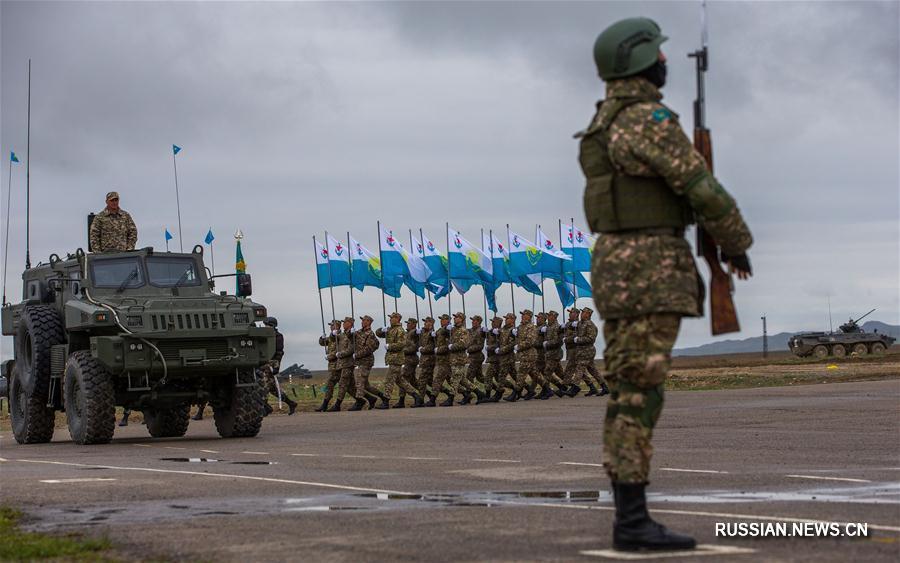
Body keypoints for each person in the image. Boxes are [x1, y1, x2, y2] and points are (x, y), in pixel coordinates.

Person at [580, 17, 753, 551]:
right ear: (639, 61)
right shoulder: (647, 119)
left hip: (617, 266)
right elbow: (699, 184)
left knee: (631, 389)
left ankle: (631, 515)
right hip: (650, 268)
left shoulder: (605, 121)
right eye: (658, 54)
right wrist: (735, 242)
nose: (664, 62)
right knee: (638, 392)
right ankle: (632, 522)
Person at [376, 313, 424, 408]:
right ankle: (417, 397)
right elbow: (378, 334)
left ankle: (386, 401)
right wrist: (382, 329)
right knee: (401, 381)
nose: (390, 320)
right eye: (390, 318)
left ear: (397, 319)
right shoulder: (390, 329)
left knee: (389, 380)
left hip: (396, 359)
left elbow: (402, 344)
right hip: (392, 359)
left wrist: (390, 346)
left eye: (392, 318)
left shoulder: (400, 330)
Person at [259, 317, 297, 416]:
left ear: (271, 325)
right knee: (273, 389)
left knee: (264, 384)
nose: (265, 326)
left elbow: (279, 352)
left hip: (271, 364)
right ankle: (291, 403)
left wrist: (277, 366)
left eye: (266, 324)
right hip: (264, 363)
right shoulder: (265, 335)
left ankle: (264, 407)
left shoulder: (278, 336)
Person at [348, 315, 386, 411]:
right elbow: (350, 338)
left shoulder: (370, 334)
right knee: (366, 385)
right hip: (360, 361)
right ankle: (381, 397)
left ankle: (359, 401)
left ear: (369, 322)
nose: (362, 322)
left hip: (366, 361)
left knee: (359, 381)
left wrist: (357, 354)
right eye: (362, 320)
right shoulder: (359, 332)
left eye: (364, 320)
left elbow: (369, 349)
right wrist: (349, 332)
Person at [574, 307, 610, 398]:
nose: (582, 314)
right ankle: (604, 387)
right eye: (582, 312)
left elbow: (591, 338)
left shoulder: (590, 325)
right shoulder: (581, 324)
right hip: (581, 350)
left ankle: (575, 387)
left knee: (580, 367)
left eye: (584, 313)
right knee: (593, 370)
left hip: (587, 350)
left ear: (588, 314)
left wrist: (578, 339)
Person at [447, 312, 477, 405]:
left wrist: (452, 346)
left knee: (455, 379)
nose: (455, 318)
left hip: (459, 359)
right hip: (454, 358)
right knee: (463, 380)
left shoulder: (463, 330)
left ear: (462, 319)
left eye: (457, 317)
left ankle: (450, 399)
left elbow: (464, 344)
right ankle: (480, 394)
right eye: (454, 317)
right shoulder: (454, 330)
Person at [328, 317, 356, 412]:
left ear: (350, 324)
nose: (344, 324)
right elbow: (333, 339)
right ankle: (367, 399)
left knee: (343, 384)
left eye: (346, 322)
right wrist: (332, 334)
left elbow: (351, 349)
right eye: (343, 322)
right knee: (351, 387)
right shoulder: (343, 334)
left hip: (348, 363)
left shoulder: (352, 334)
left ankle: (337, 405)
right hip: (341, 364)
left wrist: (340, 354)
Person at [315, 319, 341, 412]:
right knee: (349, 388)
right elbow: (322, 343)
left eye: (332, 325)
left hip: (338, 365)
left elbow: (339, 351)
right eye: (330, 325)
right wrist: (322, 338)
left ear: (337, 326)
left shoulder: (340, 336)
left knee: (330, 384)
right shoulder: (331, 336)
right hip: (332, 365)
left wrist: (330, 356)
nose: (330, 327)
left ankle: (325, 405)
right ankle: (366, 399)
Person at [541, 310, 568, 398]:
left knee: (547, 372)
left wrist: (547, 343)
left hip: (555, 353)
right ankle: (572, 386)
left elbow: (559, 341)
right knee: (560, 373)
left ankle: (547, 391)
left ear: (554, 317)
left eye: (550, 316)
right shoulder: (548, 327)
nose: (548, 317)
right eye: (548, 316)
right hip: (549, 354)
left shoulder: (557, 327)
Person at [429, 314, 454, 406]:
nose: (441, 321)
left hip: (446, 358)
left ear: (448, 320)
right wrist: (433, 335)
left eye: (443, 319)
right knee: (452, 380)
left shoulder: (449, 330)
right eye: (441, 319)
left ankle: (432, 400)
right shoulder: (440, 330)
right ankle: (470, 393)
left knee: (437, 379)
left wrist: (438, 350)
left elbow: (448, 345)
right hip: (440, 359)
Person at [497, 313, 522, 402]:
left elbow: (512, 344)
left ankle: (498, 394)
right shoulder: (503, 329)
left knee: (501, 375)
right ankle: (527, 389)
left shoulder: (512, 330)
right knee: (515, 375)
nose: (506, 320)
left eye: (507, 318)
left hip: (508, 357)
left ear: (512, 320)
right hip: (503, 357)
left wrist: (501, 350)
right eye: (506, 318)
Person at [397, 317, 421, 408]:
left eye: (409, 323)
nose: (407, 324)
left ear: (414, 324)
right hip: (406, 359)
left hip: (411, 359)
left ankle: (401, 400)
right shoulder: (406, 333)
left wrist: (402, 350)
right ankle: (428, 394)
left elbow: (415, 344)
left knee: (403, 378)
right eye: (407, 323)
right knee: (413, 381)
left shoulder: (414, 333)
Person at [480, 316, 504, 403]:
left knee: (488, 376)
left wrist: (490, 347)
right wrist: (483, 331)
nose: (492, 323)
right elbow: (483, 335)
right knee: (499, 378)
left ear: (499, 323)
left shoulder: (500, 332)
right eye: (492, 322)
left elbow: (500, 344)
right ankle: (513, 388)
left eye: (494, 322)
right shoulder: (491, 331)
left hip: (497, 358)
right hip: (492, 358)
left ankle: (487, 395)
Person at [465, 315, 488, 404]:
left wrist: (469, 349)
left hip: (476, 357)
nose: (472, 322)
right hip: (472, 357)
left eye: (474, 321)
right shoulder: (471, 330)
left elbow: (480, 346)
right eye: (472, 320)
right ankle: (492, 387)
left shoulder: (480, 331)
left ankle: (470, 396)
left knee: (469, 377)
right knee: (480, 378)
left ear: (478, 322)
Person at [416, 317, 437, 404]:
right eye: (425, 322)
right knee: (429, 381)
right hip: (423, 360)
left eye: (427, 322)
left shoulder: (433, 334)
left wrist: (422, 349)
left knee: (422, 380)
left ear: (431, 324)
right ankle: (445, 392)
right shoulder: (423, 333)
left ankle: (420, 400)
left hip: (429, 360)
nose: (425, 324)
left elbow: (432, 347)